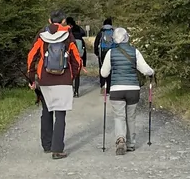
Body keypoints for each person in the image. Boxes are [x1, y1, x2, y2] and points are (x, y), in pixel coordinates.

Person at [27, 12, 82, 159]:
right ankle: (57, 150)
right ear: (63, 21)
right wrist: (72, 75)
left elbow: (31, 56)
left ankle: (47, 145)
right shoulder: (68, 35)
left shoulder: (41, 35)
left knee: (47, 111)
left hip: (45, 79)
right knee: (60, 114)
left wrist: (31, 78)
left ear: (49, 20)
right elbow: (77, 58)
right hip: (63, 80)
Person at [100, 26, 154, 155]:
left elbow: (104, 73)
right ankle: (130, 144)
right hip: (133, 89)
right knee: (131, 116)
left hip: (116, 89)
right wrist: (152, 72)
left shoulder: (110, 53)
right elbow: (145, 69)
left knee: (119, 116)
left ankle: (120, 139)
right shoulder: (134, 51)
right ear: (126, 37)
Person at [66, 15, 87, 97]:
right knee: (77, 74)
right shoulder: (79, 32)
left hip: (70, 56)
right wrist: (84, 63)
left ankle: (70, 91)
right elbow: (84, 49)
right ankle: (76, 92)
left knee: (69, 73)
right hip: (79, 56)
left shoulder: (68, 32)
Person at [94, 17, 115, 94]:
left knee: (102, 68)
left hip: (102, 53)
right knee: (110, 68)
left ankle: (103, 85)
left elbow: (96, 43)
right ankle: (109, 86)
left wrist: (96, 52)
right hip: (111, 52)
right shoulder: (113, 32)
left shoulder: (101, 32)